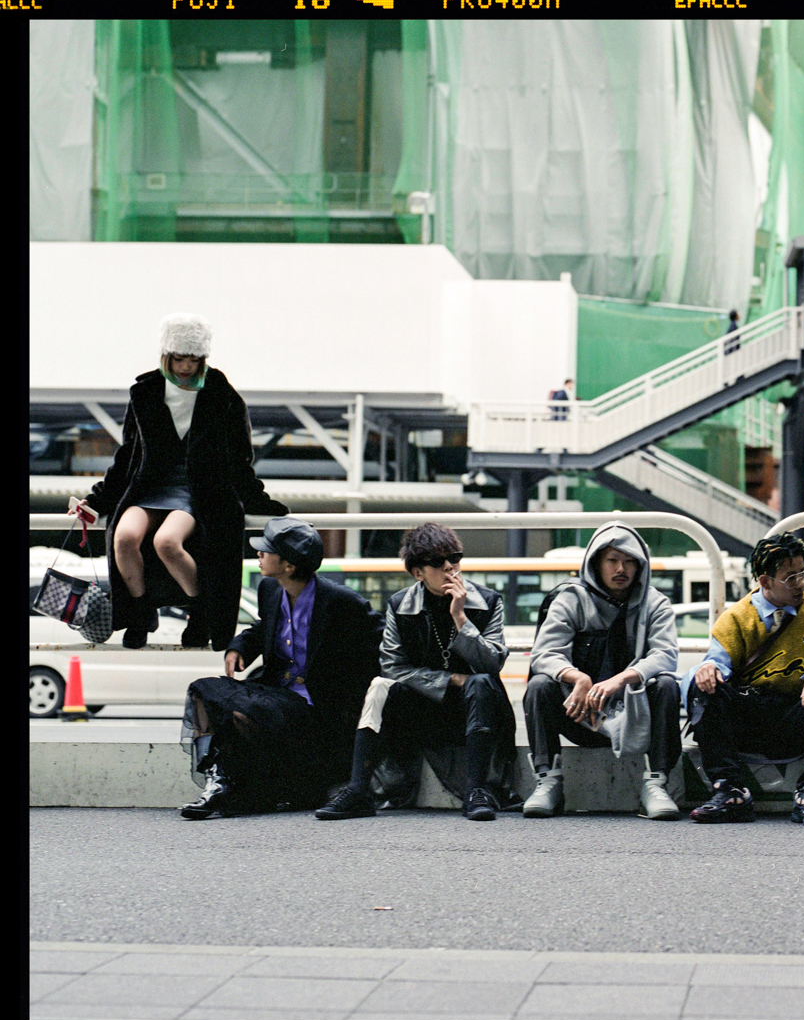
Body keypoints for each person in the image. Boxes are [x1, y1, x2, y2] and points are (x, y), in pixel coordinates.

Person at [70, 313, 288, 650]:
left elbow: (239, 459)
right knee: (124, 538)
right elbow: (127, 454)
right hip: (147, 487)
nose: (185, 367)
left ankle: (201, 612)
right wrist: (96, 501)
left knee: (167, 543)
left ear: (203, 358)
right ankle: (141, 614)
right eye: (179, 358)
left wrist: (259, 502)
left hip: (196, 490)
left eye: (193, 359)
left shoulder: (221, 393)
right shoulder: (146, 392)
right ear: (167, 356)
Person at [180, 518, 383, 819]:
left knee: (240, 713)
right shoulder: (269, 589)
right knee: (204, 690)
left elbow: (381, 639)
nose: (258, 555)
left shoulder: (341, 602)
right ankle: (219, 780)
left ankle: (227, 787)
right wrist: (240, 646)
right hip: (275, 692)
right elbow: (265, 626)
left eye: (266, 551)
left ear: (289, 566)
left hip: (316, 709)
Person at [315, 523, 518, 822]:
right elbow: (392, 666)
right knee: (380, 685)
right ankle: (359, 790)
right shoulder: (400, 605)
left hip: (478, 713)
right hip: (424, 711)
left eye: (455, 558)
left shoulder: (487, 602)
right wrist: (448, 679)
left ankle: (478, 791)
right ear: (418, 573)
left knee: (481, 682)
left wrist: (461, 616)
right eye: (438, 561)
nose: (450, 567)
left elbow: (492, 663)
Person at [682, 531, 804, 827]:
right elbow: (716, 663)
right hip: (748, 718)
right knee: (702, 685)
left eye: (802, 573)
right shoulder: (735, 619)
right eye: (791, 577)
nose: (801, 583)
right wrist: (707, 670)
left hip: (797, 714)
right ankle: (730, 790)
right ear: (764, 582)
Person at [522, 521, 682, 821]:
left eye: (629, 561)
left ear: (640, 565)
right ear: (596, 562)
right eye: (612, 560)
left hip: (634, 714)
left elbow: (666, 655)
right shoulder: (570, 598)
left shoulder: (655, 602)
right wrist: (576, 678)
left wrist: (621, 679)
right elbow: (544, 653)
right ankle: (549, 781)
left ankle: (657, 783)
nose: (620, 569)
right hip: (578, 712)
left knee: (666, 685)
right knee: (540, 685)